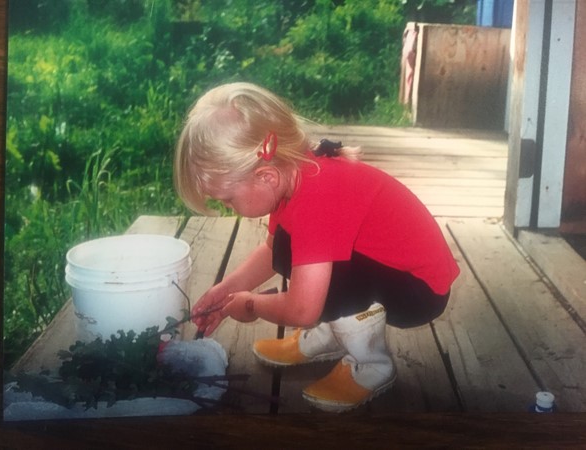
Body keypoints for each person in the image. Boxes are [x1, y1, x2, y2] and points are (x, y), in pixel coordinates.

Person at [174, 82, 460, 412]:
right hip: (392, 270)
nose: (228, 207)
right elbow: (271, 253)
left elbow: (301, 310)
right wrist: (225, 290)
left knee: (323, 272)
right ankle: (332, 333)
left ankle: (371, 365)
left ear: (266, 176)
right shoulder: (295, 174)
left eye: (227, 200)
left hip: (420, 291)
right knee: (286, 246)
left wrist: (251, 306)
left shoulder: (318, 200)